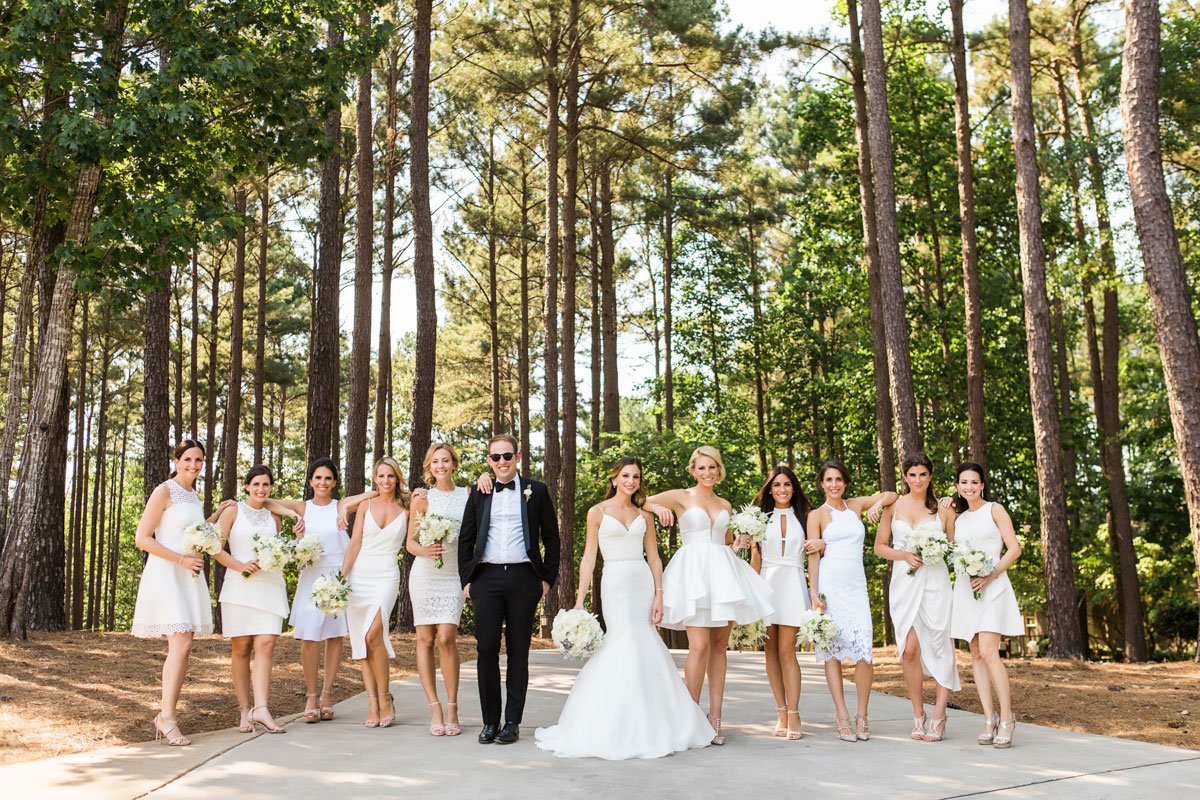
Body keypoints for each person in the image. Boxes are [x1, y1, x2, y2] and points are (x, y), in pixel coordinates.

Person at [535, 457, 714, 759]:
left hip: (642, 579)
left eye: (636, 477)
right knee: (621, 641)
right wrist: (579, 600)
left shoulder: (644, 512)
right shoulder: (598, 512)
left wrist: (659, 595)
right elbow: (589, 558)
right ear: (615, 478)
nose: (631, 481)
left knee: (644, 641)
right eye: (626, 476)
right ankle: (609, 720)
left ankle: (656, 722)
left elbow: (655, 558)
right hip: (615, 582)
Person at [649, 445, 774, 746]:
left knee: (719, 647)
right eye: (702, 467)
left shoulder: (726, 504)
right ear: (693, 470)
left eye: (712, 467)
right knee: (699, 647)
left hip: (722, 574)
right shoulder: (681, 496)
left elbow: (727, 543)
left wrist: (740, 541)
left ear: (719, 470)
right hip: (692, 573)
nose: (707, 472)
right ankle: (690, 717)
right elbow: (640, 500)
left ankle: (715, 718)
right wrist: (657, 508)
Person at [459, 433, 559, 745]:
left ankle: (512, 721)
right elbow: (466, 537)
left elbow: (551, 538)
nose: (501, 462)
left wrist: (546, 579)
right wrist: (467, 579)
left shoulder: (536, 491)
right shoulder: (479, 491)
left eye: (507, 456)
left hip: (524, 578)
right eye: (495, 457)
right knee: (486, 648)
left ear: (517, 457)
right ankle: (490, 721)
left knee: (519, 651)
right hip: (486, 578)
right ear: (489, 461)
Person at [131, 439, 227, 746]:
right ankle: (167, 717)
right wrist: (181, 559)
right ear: (177, 460)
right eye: (188, 459)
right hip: (167, 572)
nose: (194, 465)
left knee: (184, 645)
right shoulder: (164, 490)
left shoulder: (193, 495)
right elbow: (143, 538)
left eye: (199, 460)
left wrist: (214, 518)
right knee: (182, 644)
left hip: (188, 573)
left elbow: (190, 531)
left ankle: (166, 716)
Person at [806, 460, 896, 743]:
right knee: (832, 651)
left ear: (845, 483)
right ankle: (842, 715)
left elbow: (892, 494)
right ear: (822, 484)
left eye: (839, 480)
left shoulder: (856, 505)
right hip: (830, 586)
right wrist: (814, 593)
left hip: (856, 586)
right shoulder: (817, 515)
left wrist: (877, 504)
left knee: (864, 651)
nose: (834, 484)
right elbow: (812, 554)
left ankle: (862, 714)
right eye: (829, 480)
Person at [874, 452, 960, 742]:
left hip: (935, 582)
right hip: (904, 582)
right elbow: (879, 547)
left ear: (930, 476)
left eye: (923, 474)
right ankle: (918, 715)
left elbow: (953, 546)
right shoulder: (893, 505)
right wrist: (904, 555)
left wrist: (937, 548)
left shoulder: (943, 508)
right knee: (909, 650)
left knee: (939, 644)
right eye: (912, 475)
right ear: (905, 477)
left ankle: (939, 715)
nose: (918, 480)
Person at [263, 458, 348, 723]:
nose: (322, 483)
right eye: (318, 478)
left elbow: (373, 493)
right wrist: (294, 515)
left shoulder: (340, 506)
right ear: (311, 481)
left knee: (335, 637)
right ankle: (311, 695)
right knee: (310, 636)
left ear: (334, 483)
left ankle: (326, 694)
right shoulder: (303, 506)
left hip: (337, 575)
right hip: (311, 577)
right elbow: (266, 501)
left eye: (328, 479)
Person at [948, 462, 1023, 749]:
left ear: (982, 485)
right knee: (976, 652)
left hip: (993, 586)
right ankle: (988, 717)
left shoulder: (995, 510)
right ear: (958, 486)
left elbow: (1014, 548)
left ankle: (1007, 718)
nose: (968, 487)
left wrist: (991, 574)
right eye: (963, 482)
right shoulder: (958, 518)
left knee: (990, 651)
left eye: (974, 482)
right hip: (967, 590)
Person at [215, 465, 290, 735]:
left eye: (266, 485)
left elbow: (280, 548)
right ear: (247, 486)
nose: (261, 489)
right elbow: (214, 547)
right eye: (256, 484)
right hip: (240, 586)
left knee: (267, 643)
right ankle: (244, 710)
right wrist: (239, 565)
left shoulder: (274, 516)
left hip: (270, 584)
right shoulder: (232, 511)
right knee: (242, 649)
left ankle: (262, 708)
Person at [750, 465, 823, 740]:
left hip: (792, 584)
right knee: (769, 653)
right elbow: (755, 561)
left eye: (787, 485)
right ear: (770, 489)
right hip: (766, 584)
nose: (782, 490)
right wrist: (751, 594)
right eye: (777, 485)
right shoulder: (760, 519)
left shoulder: (806, 516)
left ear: (794, 488)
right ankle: (780, 710)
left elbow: (817, 551)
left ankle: (794, 712)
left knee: (786, 651)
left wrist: (821, 546)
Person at [340, 457, 409, 728]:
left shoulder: (408, 507)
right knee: (362, 643)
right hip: (359, 575)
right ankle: (372, 703)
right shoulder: (366, 505)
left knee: (373, 635)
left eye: (390, 476)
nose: (385, 481)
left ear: (397, 478)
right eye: (380, 476)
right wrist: (341, 577)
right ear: (374, 478)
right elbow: (355, 542)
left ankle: (386, 698)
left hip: (387, 575)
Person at [406, 442, 469, 736]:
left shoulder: (467, 496)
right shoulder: (422, 499)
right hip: (425, 575)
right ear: (429, 467)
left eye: (445, 461)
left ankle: (453, 705)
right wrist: (425, 551)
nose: (441, 466)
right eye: (435, 462)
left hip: (453, 575)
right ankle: (435, 707)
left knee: (446, 638)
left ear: (454, 464)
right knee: (425, 640)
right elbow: (411, 542)